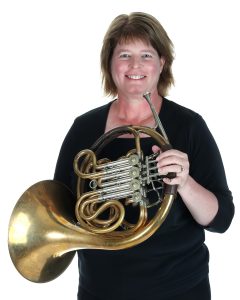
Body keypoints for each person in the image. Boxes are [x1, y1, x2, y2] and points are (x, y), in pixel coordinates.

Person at [54, 12, 234, 300]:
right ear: (109, 63)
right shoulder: (84, 129)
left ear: (162, 63)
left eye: (146, 55)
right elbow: (60, 209)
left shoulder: (188, 127)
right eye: (124, 54)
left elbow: (221, 219)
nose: (135, 65)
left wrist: (185, 183)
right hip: (100, 291)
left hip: (180, 290)